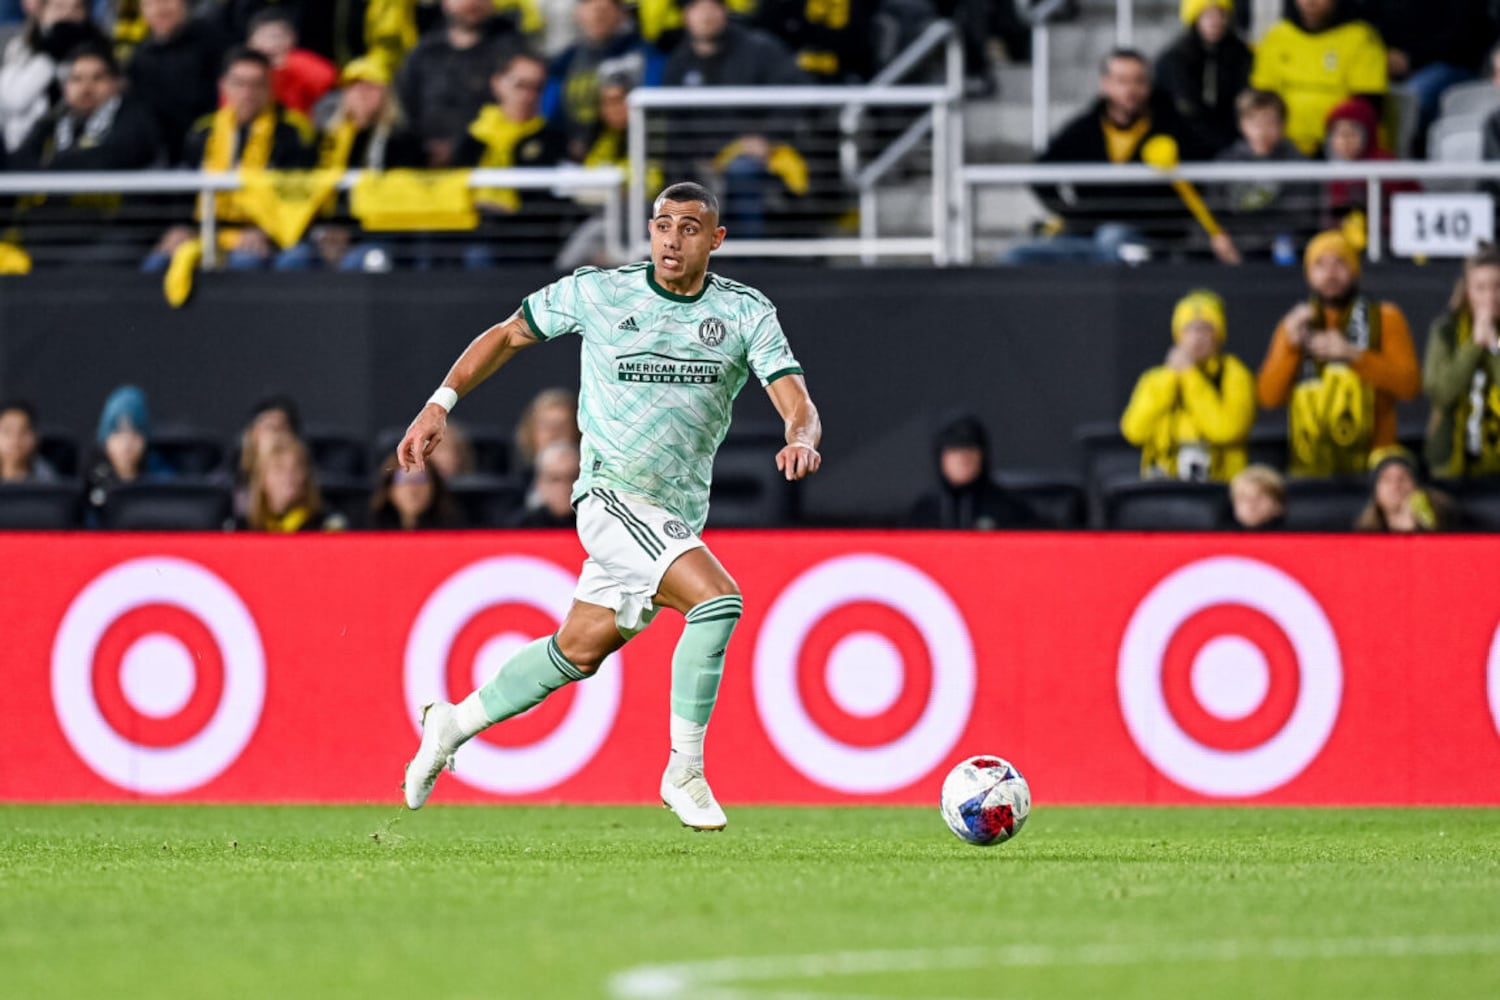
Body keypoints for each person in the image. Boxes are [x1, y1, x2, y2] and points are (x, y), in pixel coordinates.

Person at [397, 180, 822, 831]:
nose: (672, 239)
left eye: (688, 227)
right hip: (611, 496)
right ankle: (684, 770)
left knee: (578, 650)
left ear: (716, 239)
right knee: (717, 601)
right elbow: (510, 335)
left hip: (672, 516)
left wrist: (800, 435)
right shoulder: (600, 292)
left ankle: (452, 723)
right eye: (662, 225)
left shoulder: (744, 312)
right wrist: (439, 404)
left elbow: (790, 391)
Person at [1017, 49, 1234, 265]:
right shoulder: (1084, 129)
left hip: (1150, 236)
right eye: (1122, 81)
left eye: (1138, 81)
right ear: (1105, 84)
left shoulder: (1174, 127)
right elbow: (1040, 173)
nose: (1131, 89)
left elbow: (1210, 166)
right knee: (1019, 254)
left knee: (1113, 237)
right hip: (1087, 234)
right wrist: (1072, 214)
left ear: (1149, 85)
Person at [1256, 229, 1421, 477]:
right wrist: (1290, 348)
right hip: (1310, 465)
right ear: (1309, 274)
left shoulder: (1386, 317)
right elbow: (1268, 398)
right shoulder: (1295, 325)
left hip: (1375, 465)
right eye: (1320, 265)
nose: (1330, 273)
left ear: (1355, 270)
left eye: (1339, 263)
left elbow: (1409, 388)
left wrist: (1353, 355)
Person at [141, 47, 316, 272]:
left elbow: (297, 197)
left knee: (246, 261)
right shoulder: (203, 131)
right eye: (239, 83)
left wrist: (265, 231)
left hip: (266, 235)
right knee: (157, 263)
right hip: (206, 232)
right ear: (223, 86)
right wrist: (180, 228)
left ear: (270, 89)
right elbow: (184, 191)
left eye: (257, 84)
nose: (248, 92)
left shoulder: (291, 133)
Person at [660, 0, 811, 239]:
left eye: (712, 7)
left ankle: (748, 261)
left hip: (758, 154)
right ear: (685, 16)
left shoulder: (760, 49)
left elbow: (795, 98)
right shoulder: (678, 63)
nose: (706, 15)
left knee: (743, 170)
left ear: (725, 11)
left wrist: (767, 138)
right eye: (697, 8)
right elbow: (674, 126)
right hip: (700, 160)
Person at [1120, 289, 1256, 482]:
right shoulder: (1156, 378)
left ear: (1219, 334)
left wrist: (1190, 377)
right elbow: (1134, 431)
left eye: (1205, 329)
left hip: (1218, 485)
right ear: (1178, 334)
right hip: (1161, 483)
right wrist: (1170, 379)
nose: (1197, 337)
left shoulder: (1235, 374)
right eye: (1189, 329)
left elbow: (1227, 430)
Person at [1248, 0, 1386, 156]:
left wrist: (1336, 141)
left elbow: (1367, 108)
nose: (1310, 2)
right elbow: (1261, 100)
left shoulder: (1361, 38)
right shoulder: (1276, 36)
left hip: (1342, 151)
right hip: (1281, 149)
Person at [396, 0, 523, 167]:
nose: (471, 3)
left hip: (490, 167)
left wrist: (463, 149)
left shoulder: (513, 55)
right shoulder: (422, 55)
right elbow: (405, 110)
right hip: (426, 169)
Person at [543, 0, 661, 161]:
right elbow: (548, 113)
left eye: (605, 9)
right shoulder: (565, 60)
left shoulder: (644, 56)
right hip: (570, 159)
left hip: (628, 156)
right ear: (578, 13)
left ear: (621, 13)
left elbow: (652, 106)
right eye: (590, 6)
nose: (597, 14)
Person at [12, 43, 161, 170]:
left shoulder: (135, 117)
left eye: (98, 78)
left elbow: (116, 156)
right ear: (65, 88)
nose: (86, 87)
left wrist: (52, 164)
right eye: (77, 79)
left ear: (116, 84)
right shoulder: (51, 121)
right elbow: (21, 161)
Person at [1422, 244, 1500, 478]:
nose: (1490, 297)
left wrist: (1494, 347)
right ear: (1467, 290)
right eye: (1481, 288)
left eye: (1498, 287)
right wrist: (1474, 345)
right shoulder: (1446, 330)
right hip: (1449, 463)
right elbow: (1441, 394)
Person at [125, 0, 230, 165]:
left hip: (211, 148)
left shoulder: (214, 41)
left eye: (167, 1)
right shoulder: (138, 57)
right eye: (150, 4)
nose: (160, 9)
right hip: (158, 159)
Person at [1214, 89, 1314, 259]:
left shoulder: (1298, 163)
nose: (1262, 130)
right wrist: (1218, 237)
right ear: (1241, 124)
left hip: (1285, 249)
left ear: (1282, 125)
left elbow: (1300, 216)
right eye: (1254, 122)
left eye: (1270, 122)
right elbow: (1215, 210)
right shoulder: (1225, 162)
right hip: (1237, 249)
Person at [0, 0, 106, 154]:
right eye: (59, 7)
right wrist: (49, 57)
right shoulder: (22, 48)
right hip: (20, 149)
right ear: (42, 12)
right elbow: (14, 99)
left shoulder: (99, 49)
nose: (68, 15)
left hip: (80, 148)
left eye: (76, 8)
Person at [907, 414, 1041, 529]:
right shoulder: (923, 513)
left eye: (969, 451)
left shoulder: (1010, 510)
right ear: (941, 458)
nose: (962, 460)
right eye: (954, 452)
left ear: (982, 456)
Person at [1154, 0, 1253, 155]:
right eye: (1208, 15)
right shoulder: (1173, 60)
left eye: (1221, 14)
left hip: (1233, 148)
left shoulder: (1242, 56)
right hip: (1184, 147)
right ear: (1194, 18)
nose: (1216, 21)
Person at [1320, 96, 1418, 243]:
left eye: (1352, 133)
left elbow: (1409, 210)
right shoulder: (1324, 171)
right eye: (1339, 134)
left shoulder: (1386, 166)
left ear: (1368, 134)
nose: (1345, 141)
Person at [84, 384, 169, 521]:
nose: (126, 444)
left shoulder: (162, 481)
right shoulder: (90, 484)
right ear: (105, 440)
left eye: (134, 434)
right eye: (118, 434)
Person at [238, 434, 346, 532]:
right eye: (279, 469)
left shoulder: (326, 525)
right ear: (262, 479)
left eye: (296, 469)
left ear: (307, 476)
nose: (289, 477)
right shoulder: (243, 527)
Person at [245, 7, 337, 117]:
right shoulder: (241, 69)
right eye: (265, 37)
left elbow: (328, 79)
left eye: (277, 37)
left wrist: (287, 65)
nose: (272, 44)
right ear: (251, 43)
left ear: (292, 39)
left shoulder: (301, 62)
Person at [1355, 445, 1456, 531]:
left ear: (1417, 486)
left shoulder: (1444, 523)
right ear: (1375, 491)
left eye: (1403, 478)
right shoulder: (1365, 532)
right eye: (1387, 479)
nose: (1395, 486)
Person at [369, 463, 465, 529]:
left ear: (434, 487)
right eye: (403, 480)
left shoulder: (455, 530)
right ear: (389, 489)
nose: (412, 489)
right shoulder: (367, 530)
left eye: (420, 479)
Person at [510, 439, 581, 527]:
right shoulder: (521, 527)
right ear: (539, 484)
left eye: (573, 477)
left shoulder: (597, 524)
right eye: (555, 479)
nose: (565, 487)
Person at [513, 386, 579, 472]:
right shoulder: (516, 482)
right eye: (547, 426)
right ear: (531, 432)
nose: (554, 434)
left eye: (562, 427)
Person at [0, 398, 59, 482]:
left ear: (35, 436)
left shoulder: (48, 479)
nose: (15, 439)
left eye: (24, 431)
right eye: (7, 431)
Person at [1229, 463, 1286, 530]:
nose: (1251, 505)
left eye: (1259, 498)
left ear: (1278, 505)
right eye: (1244, 498)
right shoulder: (1222, 535)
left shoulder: (1293, 535)